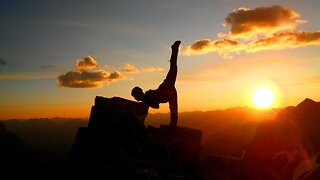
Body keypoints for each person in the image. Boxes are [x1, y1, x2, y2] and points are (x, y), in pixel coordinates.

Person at [131, 40, 181, 128]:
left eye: (135, 96)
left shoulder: (146, 97)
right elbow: (156, 105)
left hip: (166, 88)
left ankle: (174, 49)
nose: (135, 98)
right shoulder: (146, 98)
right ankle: (172, 127)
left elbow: (156, 105)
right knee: (173, 67)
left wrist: (147, 103)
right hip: (169, 92)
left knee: (173, 67)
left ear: (139, 94)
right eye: (135, 97)